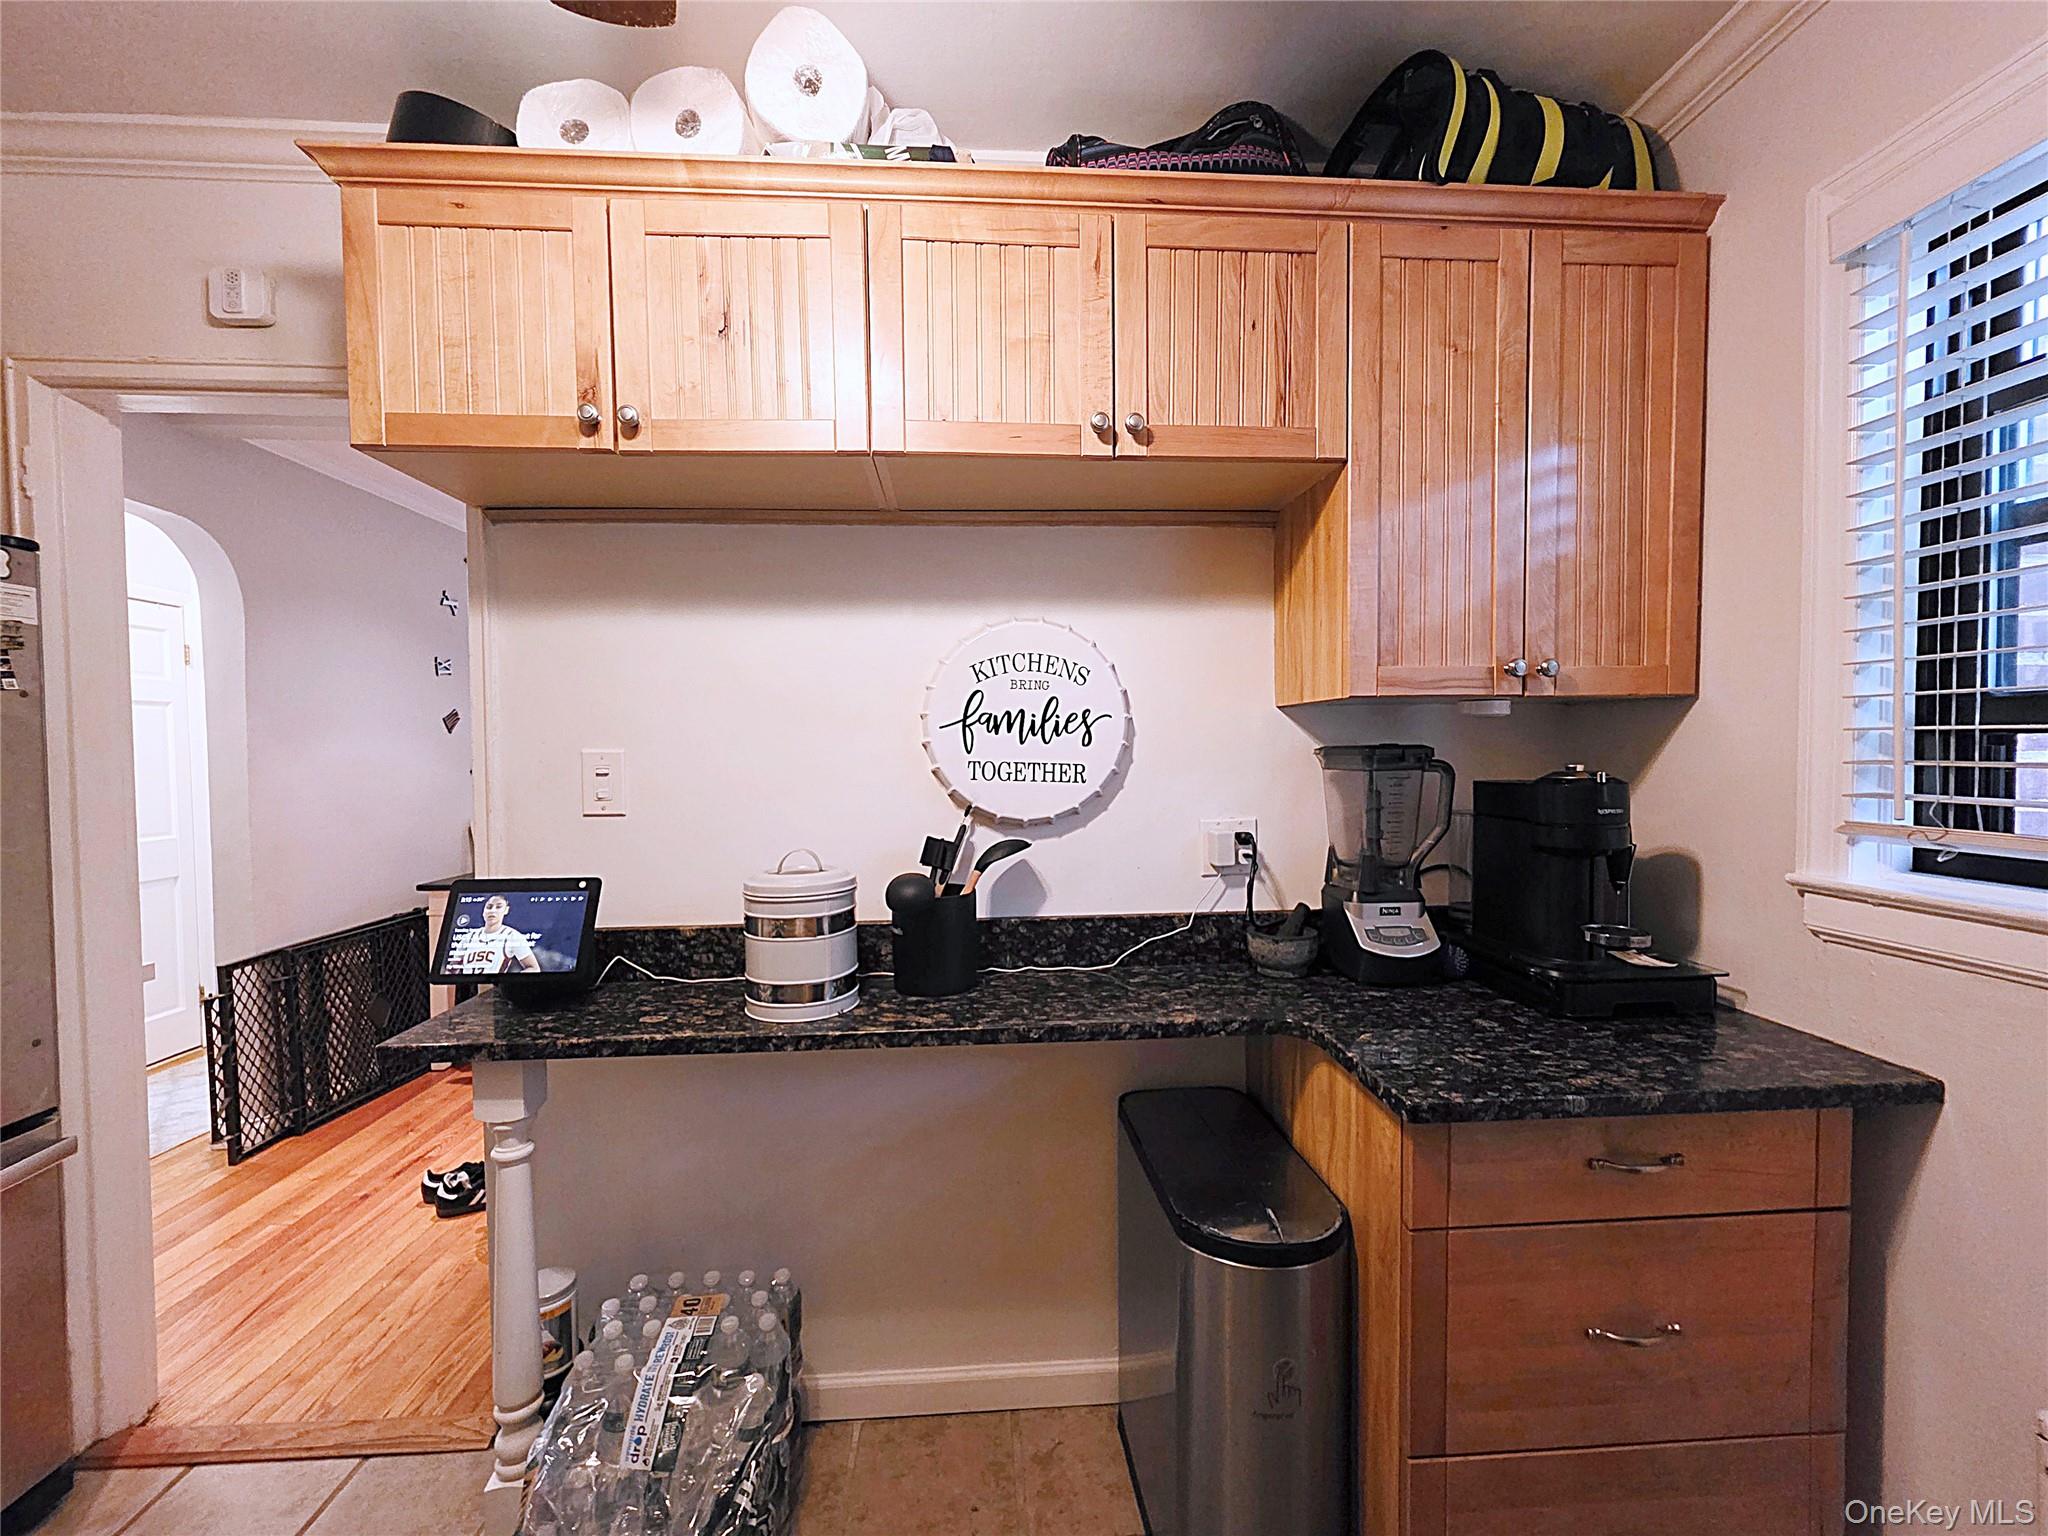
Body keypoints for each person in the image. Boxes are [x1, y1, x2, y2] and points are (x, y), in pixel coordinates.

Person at [449, 893, 542, 973]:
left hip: (495, 989)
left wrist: (510, 982)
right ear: (483, 911)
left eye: (498, 907)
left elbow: (534, 968)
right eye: (489, 907)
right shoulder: (468, 937)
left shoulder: (512, 936)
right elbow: (451, 970)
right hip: (470, 990)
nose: (493, 910)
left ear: (506, 910)